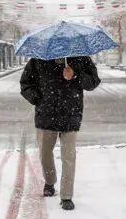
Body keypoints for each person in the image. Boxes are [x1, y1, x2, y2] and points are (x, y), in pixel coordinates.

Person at [19, 56, 101, 210]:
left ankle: (66, 196)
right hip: (46, 115)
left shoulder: (81, 57)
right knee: (44, 154)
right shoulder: (39, 58)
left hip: (70, 113)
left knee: (69, 157)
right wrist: (38, 99)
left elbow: (94, 81)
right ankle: (50, 181)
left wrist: (75, 75)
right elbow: (25, 84)